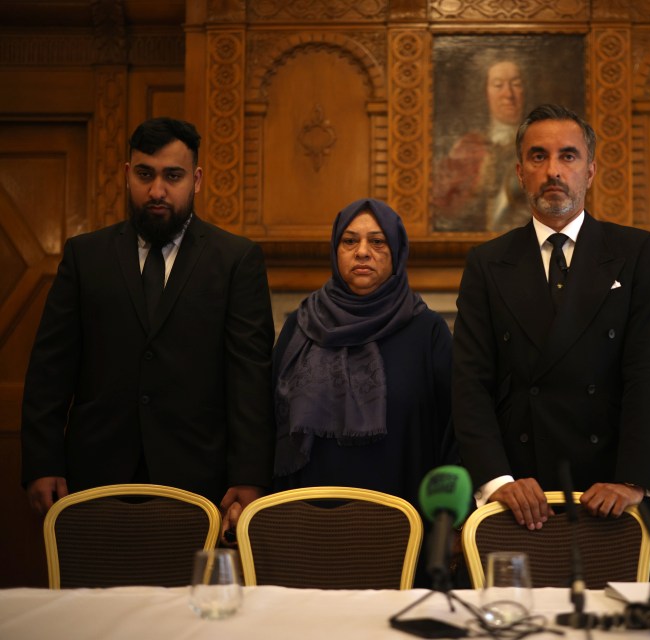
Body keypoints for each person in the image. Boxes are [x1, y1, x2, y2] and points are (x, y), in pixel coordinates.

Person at [20, 117, 275, 528]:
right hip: (94, 477)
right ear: (127, 175)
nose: (157, 190)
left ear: (196, 180)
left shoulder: (235, 261)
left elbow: (250, 378)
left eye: (172, 176)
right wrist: (41, 461)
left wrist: (249, 475)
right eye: (145, 174)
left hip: (199, 481)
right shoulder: (85, 257)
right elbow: (51, 368)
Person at [452, 104, 650, 530]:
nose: (553, 170)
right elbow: (469, 384)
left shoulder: (636, 252)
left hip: (609, 492)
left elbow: (647, 376)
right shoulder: (487, 262)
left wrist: (631, 482)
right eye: (539, 156)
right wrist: (498, 482)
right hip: (520, 494)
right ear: (520, 172)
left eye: (568, 156)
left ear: (589, 171)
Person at [272, 198, 455, 511]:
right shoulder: (302, 324)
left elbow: (454, 430)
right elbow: (269, 416)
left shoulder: (427, 331)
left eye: (378, 241)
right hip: (304, 518)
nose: (362, 252)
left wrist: (448, 518)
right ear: (335, 249)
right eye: (350, 241)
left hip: (401, 520)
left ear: (397, 251)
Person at [432, 58, 530, 232]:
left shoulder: (540, 145)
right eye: (498, 85)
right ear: (485, 93)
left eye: (516, 84)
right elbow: (444, 211)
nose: (508, 94)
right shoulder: (468, 147)